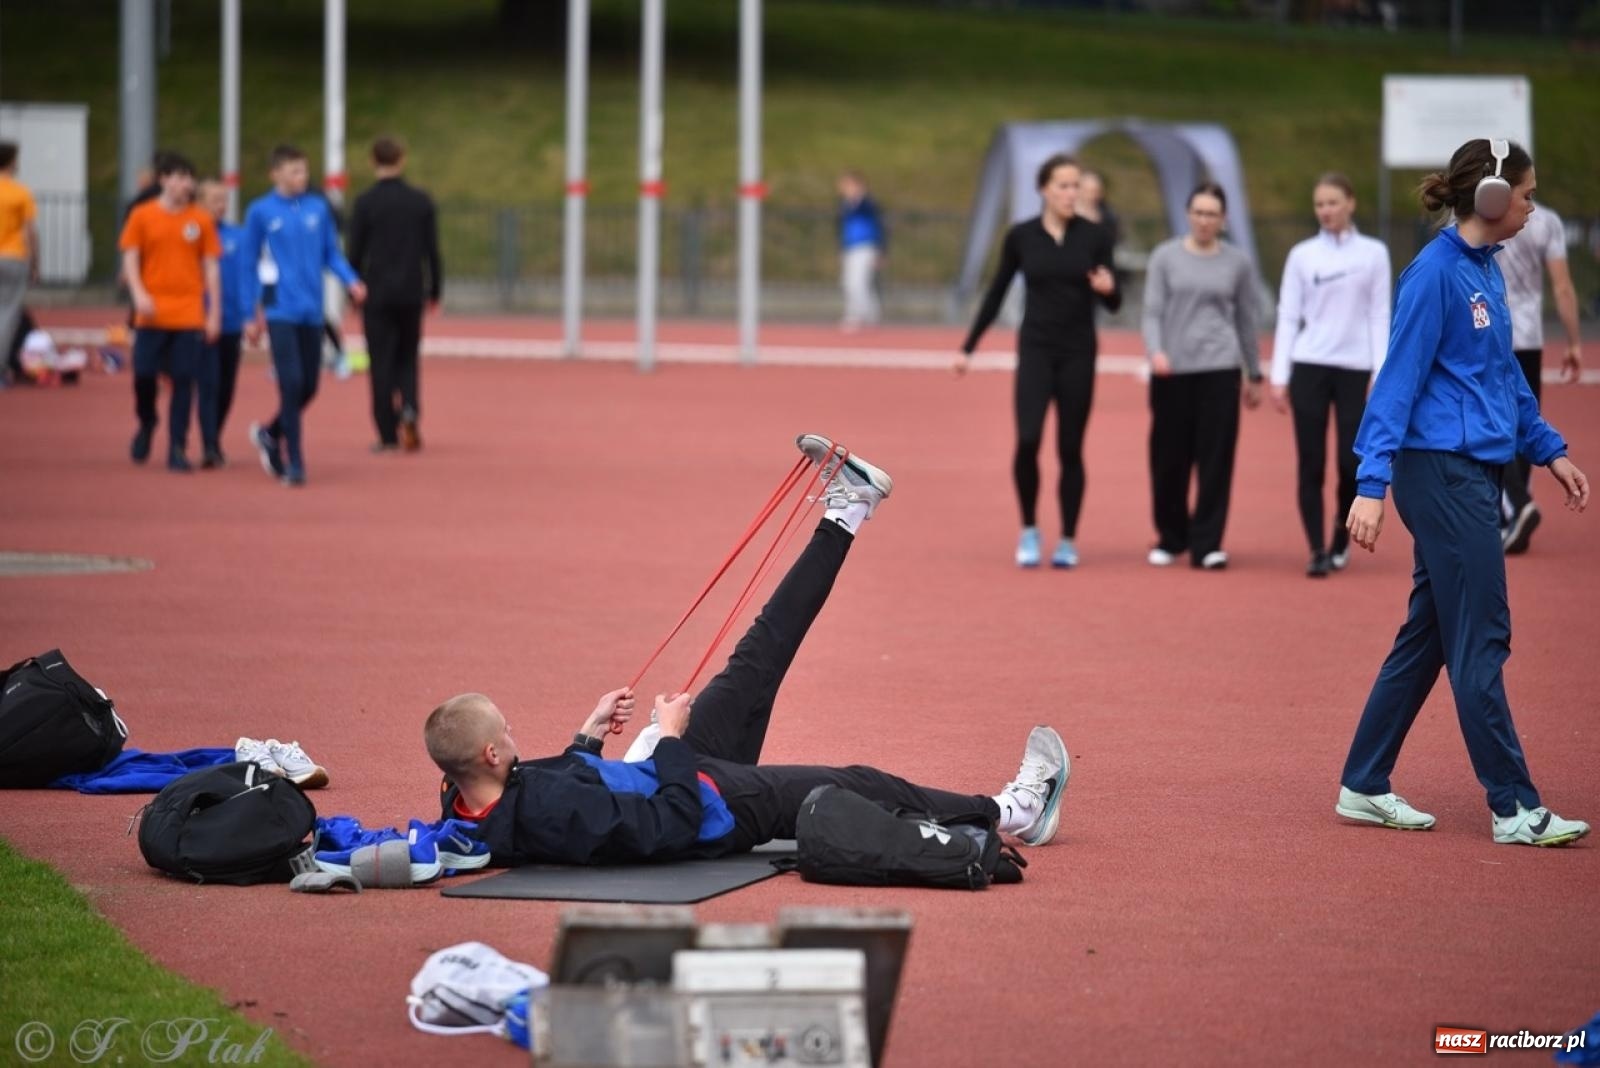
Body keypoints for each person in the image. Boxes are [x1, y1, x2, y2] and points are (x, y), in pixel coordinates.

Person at [425, 434, 1071, 866]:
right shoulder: (537, 808)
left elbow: (570, 785)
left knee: (761, 651)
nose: (513, 739)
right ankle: (1012, 813)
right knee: (855, 785)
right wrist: (673, 739)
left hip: (665, 770)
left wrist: (587, 739)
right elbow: (670, 826)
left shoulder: (474, 796)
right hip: (713, 804)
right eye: (506, 733)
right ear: (488, 752)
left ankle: (850, 507)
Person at [1338, 138, 1589, 847]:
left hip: (1466, 471)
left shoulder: (1484, 270)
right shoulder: (1433, 277)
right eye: (1529, 195)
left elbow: (1502, 379)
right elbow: (1397, 381)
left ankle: (1363, 781)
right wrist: (1371, 483)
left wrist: (1549, 450)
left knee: (1431, 636)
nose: (1534, 208)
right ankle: (1514, 807)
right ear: (1491, 198)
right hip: (1440, 474)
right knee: (1482, 635)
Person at [956, 154, 1121, 569]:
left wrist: (1107, 289)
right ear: (1044, 189)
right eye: (1064, 186)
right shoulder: (1022, 236)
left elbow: (1115, 301)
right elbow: (996, 292)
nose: (1072, 193)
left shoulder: (1095, 236)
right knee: (1028, 439)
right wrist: (969, 347)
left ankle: (1067, 538)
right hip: (1036, 349)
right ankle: (1029, 528)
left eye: (1076, 186)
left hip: (1079, 350)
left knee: (1070, 447)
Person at [1270, 173, 1392, 577]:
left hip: (1356, 369)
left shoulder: (1373, 253)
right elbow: (1288, 314)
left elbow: (1379, 313)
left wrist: (1381, 369)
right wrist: (1278, 374)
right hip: (1309, 366)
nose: (1326, 211)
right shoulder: (1303, 255)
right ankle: (1316, 549)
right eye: (1320, 204)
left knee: (1347, 462)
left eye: (1333, 203)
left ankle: (1341, 537)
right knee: (1311, 461)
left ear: (1351, 203)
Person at [1141, 182, 1262, 570]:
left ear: (1223, 220)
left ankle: (1207, 543)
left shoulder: (1238, 263)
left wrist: (1253, 371)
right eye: (1198, 212)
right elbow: (1152, 312)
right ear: (1187, 214)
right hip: (1173, 369)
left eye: (1212, 214)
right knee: (1168, 459)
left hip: (1220, 368)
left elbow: (1246, 319)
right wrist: (1156, 351)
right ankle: (1170, 536)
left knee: (1215, 458)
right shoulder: (1165, 257)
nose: (1204, 220)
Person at [241, 144, 366, 487]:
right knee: (291, 384)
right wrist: (251, 313)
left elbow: (331, 253)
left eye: (304, 171)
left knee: (309, 387)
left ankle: (269, 431)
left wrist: (352, 280)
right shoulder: (261, 211)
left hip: (312, 312)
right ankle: (295, 461)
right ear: (275, 174)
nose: (301, 177)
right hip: (280, 309)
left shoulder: (317, 208)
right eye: (294, 171)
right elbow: (248, 264)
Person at [118, 152, 221, 472]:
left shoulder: (200, 219)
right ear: (163, 180)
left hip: (188, 312)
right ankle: (148, 422)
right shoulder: (143, 215)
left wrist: (214, 312)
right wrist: (138, 293)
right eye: (178, 177)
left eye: (189, 178)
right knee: (144, 375)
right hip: (151, 311)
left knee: (183, 380)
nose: (185, 184)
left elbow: (211, 268)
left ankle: (177, 446)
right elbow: (131, 258)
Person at [1494, 199, 1584, 555]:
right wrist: (1574, 341)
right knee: (1523, 419)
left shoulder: (1479, 213)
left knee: (1498, 422)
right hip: (1529, 336)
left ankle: (1515, 506)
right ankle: (1515, 511)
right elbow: (1562, 286)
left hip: (1491, 332)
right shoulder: (1547, 221)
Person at [347, 137, 442, 453]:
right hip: (411, 290)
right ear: (402, 159)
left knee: (380, 362)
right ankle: (411, 406)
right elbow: (432, 251)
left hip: (376, 292)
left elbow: (355, 252)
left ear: (373, 161)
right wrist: (435, 289)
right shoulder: (420, 201)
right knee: (407, 356)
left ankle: (387, 432)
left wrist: (354, 288)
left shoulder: (365, 203)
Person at [0, 142, 39, 382]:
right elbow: (29, 232)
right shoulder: (20, 192)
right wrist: (35, 262)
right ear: (11, 161)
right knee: (7, 314)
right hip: (13, 256)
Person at [836, 172, 886, 331]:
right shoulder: (845, 205)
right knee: (851, 282)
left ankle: (856, 315)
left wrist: (881, 250)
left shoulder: (868, 204)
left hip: (866, 247)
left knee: (856, 282)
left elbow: (880, 227)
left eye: (847, 185)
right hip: (850, 247)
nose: (844, 189)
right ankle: (871, 314)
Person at [1076, 169, 1121, 249]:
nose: (1093, 195)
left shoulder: (1109, 217)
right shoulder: (1066, 214)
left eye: (1096, 191)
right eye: (1088, 191)